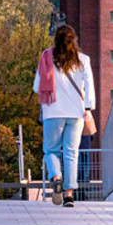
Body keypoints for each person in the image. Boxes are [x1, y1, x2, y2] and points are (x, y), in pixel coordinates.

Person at [34, 24, 96, 207]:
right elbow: (90, 86)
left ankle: (56, 176)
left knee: (51, 150)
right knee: (71, 153)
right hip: (76, 113)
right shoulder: (83, 60)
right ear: (74, 40)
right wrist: (88, 108)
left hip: (53, 111)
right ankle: (69, 195)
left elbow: (37, 86)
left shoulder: (47, 58)